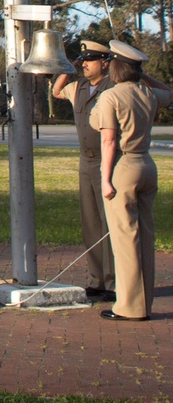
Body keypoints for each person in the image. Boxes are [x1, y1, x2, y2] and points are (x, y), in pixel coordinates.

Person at [90, 38, 172, 321]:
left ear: (114, 68)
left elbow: (108, 140)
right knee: (145, 237)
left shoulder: (111, 97)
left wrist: (105, 179)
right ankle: (144, 304)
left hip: (124, 167)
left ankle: (128, 306)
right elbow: (168, 92)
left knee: (125, 240)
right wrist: (142, 75)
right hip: (147, 164)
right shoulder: (148, 93)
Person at [52, 39, 115, 301]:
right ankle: (96, 280)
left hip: (107, 159)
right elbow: (57, 91)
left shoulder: (113, 87)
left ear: (105, 63)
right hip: (85, 161)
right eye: (83, 60)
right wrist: (69, 67)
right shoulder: (78, 87)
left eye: (90, 60)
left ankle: (113, 282)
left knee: (109, 222)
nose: (85, 64)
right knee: (90, 223)